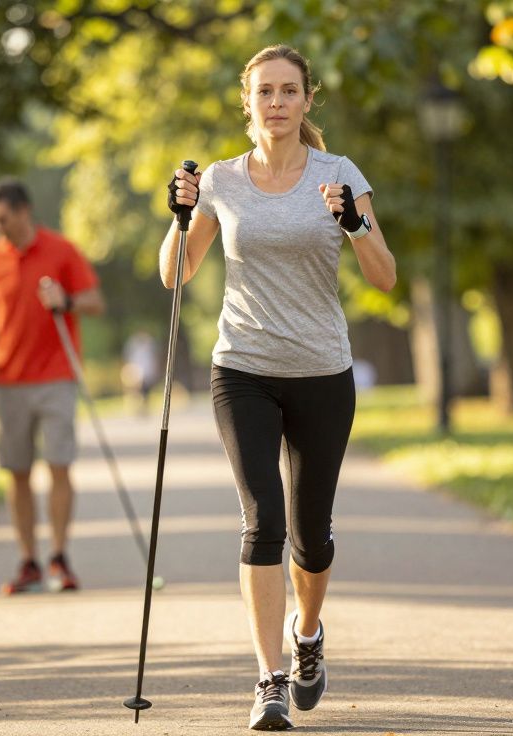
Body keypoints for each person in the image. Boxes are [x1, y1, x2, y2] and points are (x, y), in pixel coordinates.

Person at [160, 44, 396, 731]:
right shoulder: (224, 181)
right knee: (263, 519)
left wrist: (353, 224)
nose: (277, 102)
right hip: (243, 367)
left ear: (308, 100)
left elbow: (384, 276)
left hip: (323, 371)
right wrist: (178, 216)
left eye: (289, 90)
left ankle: (308, 634)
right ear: (249, 102)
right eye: (265, 91)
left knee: (311, 537)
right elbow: (177, 273)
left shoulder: (339, 174)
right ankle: (267, 679)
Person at [0, 178, 105, 594]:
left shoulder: (61, 250)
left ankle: (59, 556)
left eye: (2, 218)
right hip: (7, 378)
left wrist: (64, 299)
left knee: (59, 465)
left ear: (23, 210)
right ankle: (28, 559)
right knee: (17, 472)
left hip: (56, 376)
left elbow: (94, 302)